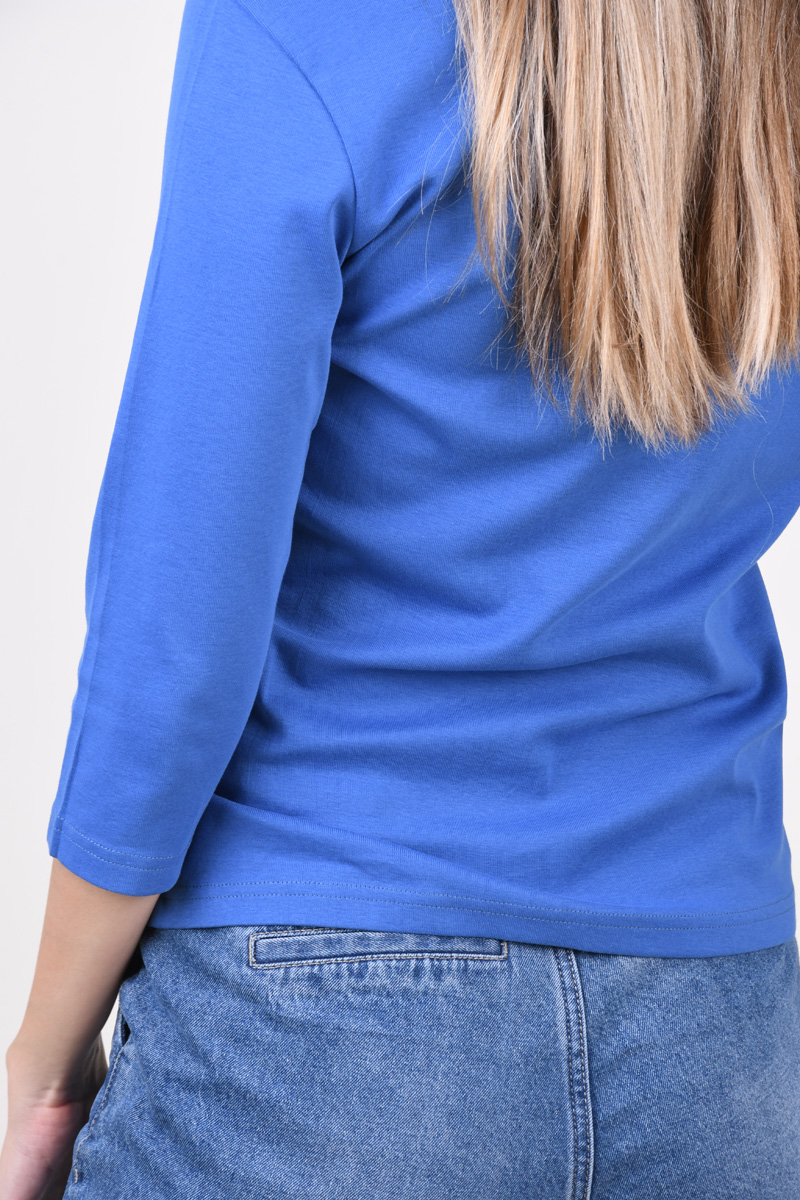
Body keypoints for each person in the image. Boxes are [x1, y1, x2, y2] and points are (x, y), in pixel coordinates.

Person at [2, 0, 800, 1195]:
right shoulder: (762, 51)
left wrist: (45, 1059)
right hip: (722, 1044)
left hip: (325, 1017)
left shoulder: (299, 22)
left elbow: (176, 631)